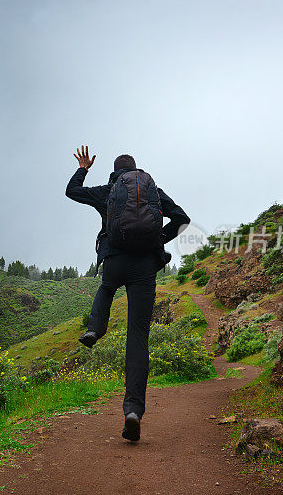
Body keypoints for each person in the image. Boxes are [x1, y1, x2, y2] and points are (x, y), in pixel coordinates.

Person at [66, 145, 190, 441]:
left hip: (116, 261)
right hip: (145, 268)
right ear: (137, 172)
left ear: (115, 171)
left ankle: (95, 329)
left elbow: (72, 191)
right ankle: (133, 411)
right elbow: (182, 219)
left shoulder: (108, 190)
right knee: (138, 338)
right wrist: (159, 238)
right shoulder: (153, 191)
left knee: (107, 287)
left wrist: (83, 168)